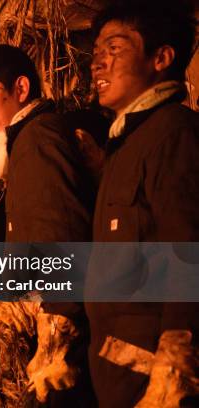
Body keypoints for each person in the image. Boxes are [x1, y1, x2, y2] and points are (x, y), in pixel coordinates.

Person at [0, 44, 95, 404]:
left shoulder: (38, 136)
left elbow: (60, 235)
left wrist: (55, 333)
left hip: (53, 336)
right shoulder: (10, 150)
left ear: (20, 89)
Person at [87, 1, 198, 406]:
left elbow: (189, 250)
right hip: (121, 369)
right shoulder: (126, 144)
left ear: (161, 58)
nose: (97, 64)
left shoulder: (174, 133)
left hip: (156, 380)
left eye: (113, 49)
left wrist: (177, 358)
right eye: (96, 53)